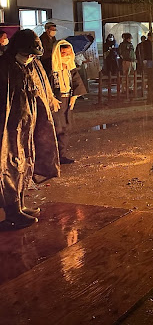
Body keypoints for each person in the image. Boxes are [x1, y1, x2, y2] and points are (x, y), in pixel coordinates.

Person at [0, 29, 60, 230]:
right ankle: (12, 212)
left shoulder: (31, 65)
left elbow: (39, 88)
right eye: (27, 55)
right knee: (9, 164)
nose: (30, 59)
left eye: (33, 55)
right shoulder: (4, 67)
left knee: (24, 162)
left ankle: (20, 203)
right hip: (8, 127)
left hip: (26, 124)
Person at [50, 41, 87, 164]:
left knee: (66, 127)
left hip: (67, 100)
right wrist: (51, 98)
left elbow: (77, 82)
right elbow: (44, 85)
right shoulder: (51, 68)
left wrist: (75, 96)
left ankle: (62, 155)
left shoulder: (71, 68)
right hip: (55, 102)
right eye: (63, 53)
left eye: (68, 53)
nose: (66, 56)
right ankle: (51, 157)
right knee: (55, 128)